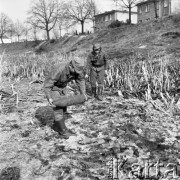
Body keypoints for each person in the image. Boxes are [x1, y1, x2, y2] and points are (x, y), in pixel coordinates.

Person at [44, 55, 87, 139]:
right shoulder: (59, 69)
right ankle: (63, 132)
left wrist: (83, 94)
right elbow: (48, 85)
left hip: (63, 87)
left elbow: (81, 80)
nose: (76, 73)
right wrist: (49, 98)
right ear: (70, 65)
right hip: (53, 88)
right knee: (58, 108)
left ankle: (57, 126)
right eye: (75, 71)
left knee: (64, 107)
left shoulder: (78, 69)